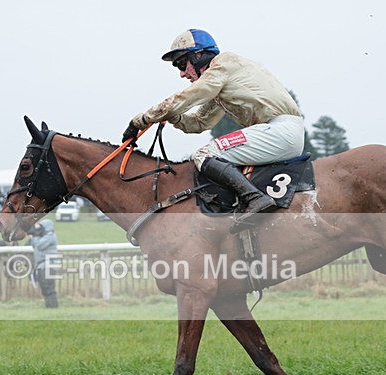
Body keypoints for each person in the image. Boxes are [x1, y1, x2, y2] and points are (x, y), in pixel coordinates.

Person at [122, 28, 305, 227]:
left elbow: (188, 97)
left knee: (204, 154)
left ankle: (255, 198)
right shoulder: (221, 82)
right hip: (278, 133)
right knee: (209, 152)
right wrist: (175, 117)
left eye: (182, 64)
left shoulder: (223, 65)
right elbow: (201, 122)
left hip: (280, 130)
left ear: (198, 56)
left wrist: (140, 120)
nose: (182, 74)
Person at [27, 219, 59, 308]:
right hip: (42, 265)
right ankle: (49, 306)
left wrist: (35, 236)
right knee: (44, 288)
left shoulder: (50, 236)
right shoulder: (43, 236)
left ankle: (53, 307)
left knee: (49, 288)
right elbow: (33, 245)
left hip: (49, 265)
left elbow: (40, 245)